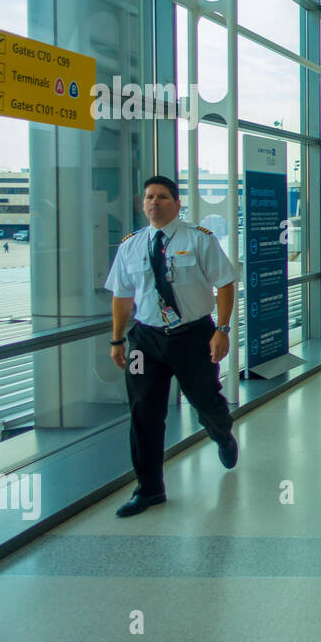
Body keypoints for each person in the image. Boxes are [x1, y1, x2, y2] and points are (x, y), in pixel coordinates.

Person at [104, 175, 239, 518]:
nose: (155, 202)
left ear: (177, 203)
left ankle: (222, 433)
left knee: (206, 399)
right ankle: (148, 489)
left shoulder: (199, 239)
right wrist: (117, 338)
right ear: (143, 203)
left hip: (193, 335)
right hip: (144, 340)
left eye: (163, 197)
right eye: (149, 197)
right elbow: (122, 296)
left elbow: (224, 284)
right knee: (143, 412)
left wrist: (221, 330)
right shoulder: (131, 246)